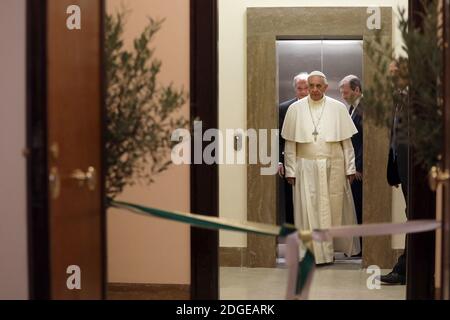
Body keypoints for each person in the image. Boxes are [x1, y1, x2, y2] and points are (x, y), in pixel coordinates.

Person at [281, 71, 360, 265]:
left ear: (325, 87)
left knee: (332, 210)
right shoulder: (295, 109)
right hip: (305, 167)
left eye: (319, 86)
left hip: (334, 165)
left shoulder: (338, 108)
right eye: (311, 86)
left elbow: (346, 142)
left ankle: (328, 250)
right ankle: (309, 251)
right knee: (308, 209)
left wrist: (350, 168)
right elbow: (290, 144)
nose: (315, 89)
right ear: (307, 87)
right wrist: (290, 170)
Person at [380, 60, 409, 285]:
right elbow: (394, 140)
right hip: (404, 169)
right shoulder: (398, 98)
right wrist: (395, 171)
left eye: (393, 73)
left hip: (416, 171)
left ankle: (405, 268)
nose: (390, 78)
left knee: (415, 216)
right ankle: (405, 267)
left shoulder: (417, 100)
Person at [278, 73, 309, 225]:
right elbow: (278, 137)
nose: (303, 92)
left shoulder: (321, 107)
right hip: (290, 161)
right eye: (299, 88)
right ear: (295, 90)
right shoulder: (284, 108)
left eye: (306, 88)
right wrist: (279, 160)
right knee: (290, 201)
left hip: (313, 161)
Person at [339, 75, 364, 256]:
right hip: (352, 166)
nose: (343, 95)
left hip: (358, 169)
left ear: (356, 90)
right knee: (355, 205)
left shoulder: (364, 109)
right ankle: (357, 246)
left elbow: (364, 142)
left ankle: (362, 247)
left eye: (346, 92)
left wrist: (359, 166)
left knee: (360, 206)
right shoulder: (352, 109)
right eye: (341, 92)